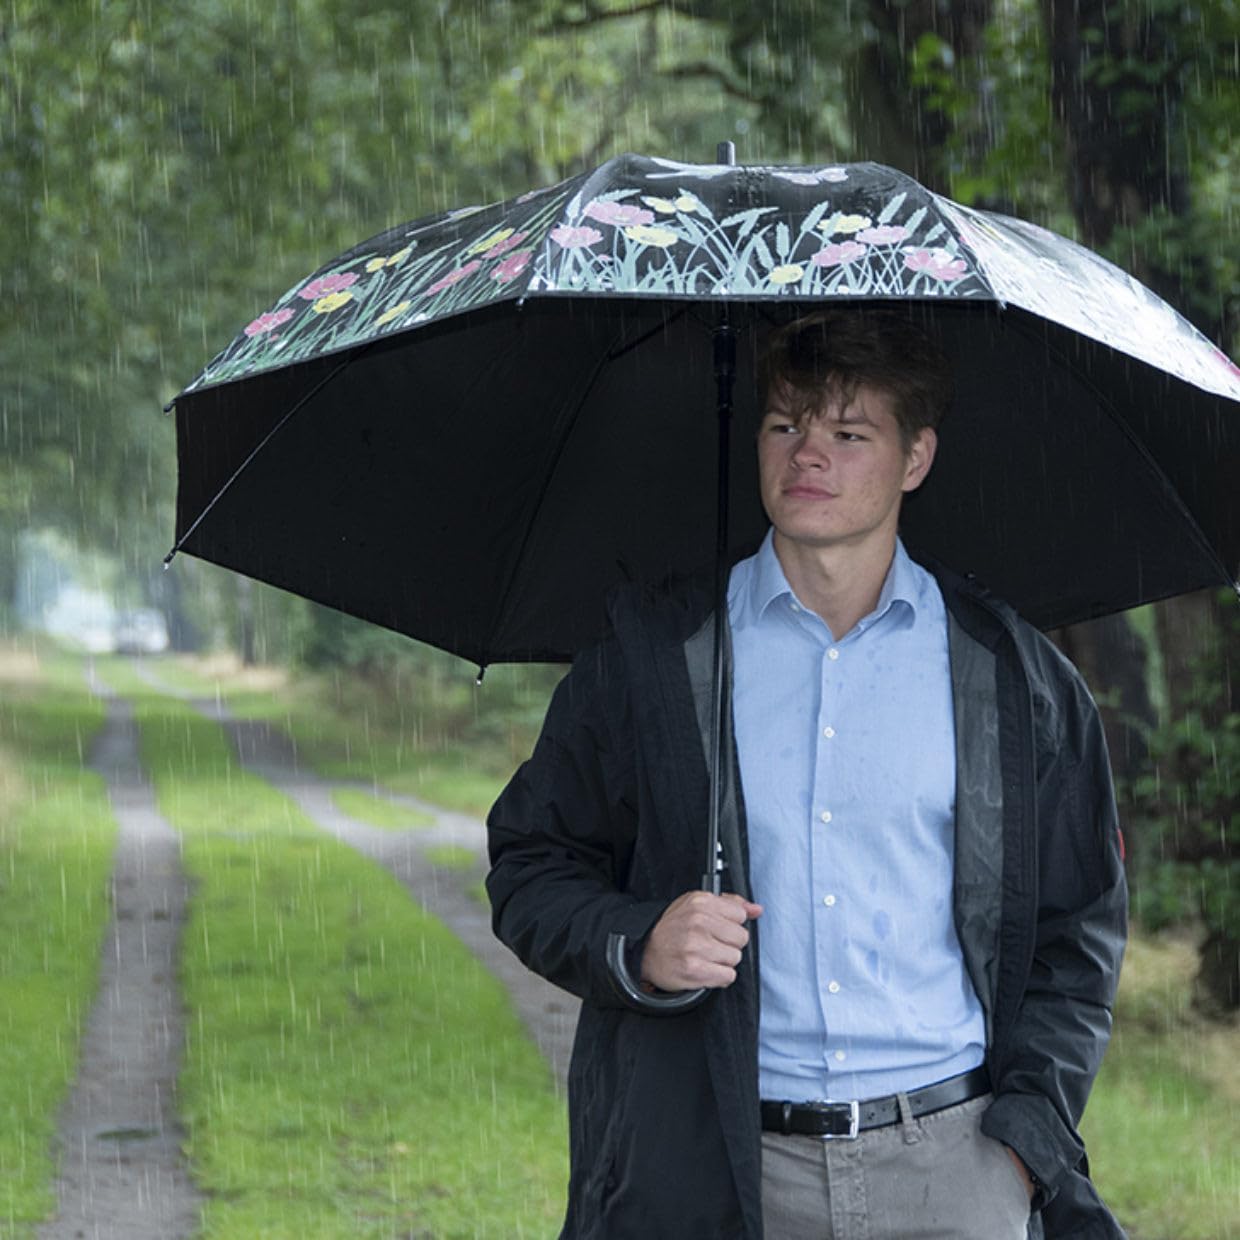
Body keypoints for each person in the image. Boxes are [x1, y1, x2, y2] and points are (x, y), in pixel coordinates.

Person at [486, 309, 1128, 1240]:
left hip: (955, 1168)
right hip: (718, 1165)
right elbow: (530, 862)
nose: (807, 456)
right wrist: (639, 944)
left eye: (848, 433)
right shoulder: (660, 657)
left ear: (916, 459)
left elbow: (1081, 931)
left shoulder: (1011, 677)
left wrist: (1028, 1134)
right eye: (786, 425)